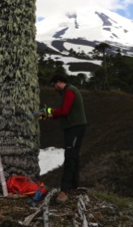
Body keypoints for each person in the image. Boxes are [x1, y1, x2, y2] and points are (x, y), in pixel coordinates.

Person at [40, 74, 88, 204]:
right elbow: (63, 112)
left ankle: (64, 190)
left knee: (70, 156)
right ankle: (73, 186)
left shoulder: (70, 91)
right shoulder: (68, 91)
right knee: (74, 156)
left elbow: (64, 111)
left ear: (59, 82)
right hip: (73, 128)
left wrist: (47, 112)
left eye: (54, 85)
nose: (54, 88)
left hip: (75, 128)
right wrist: (47, 115)